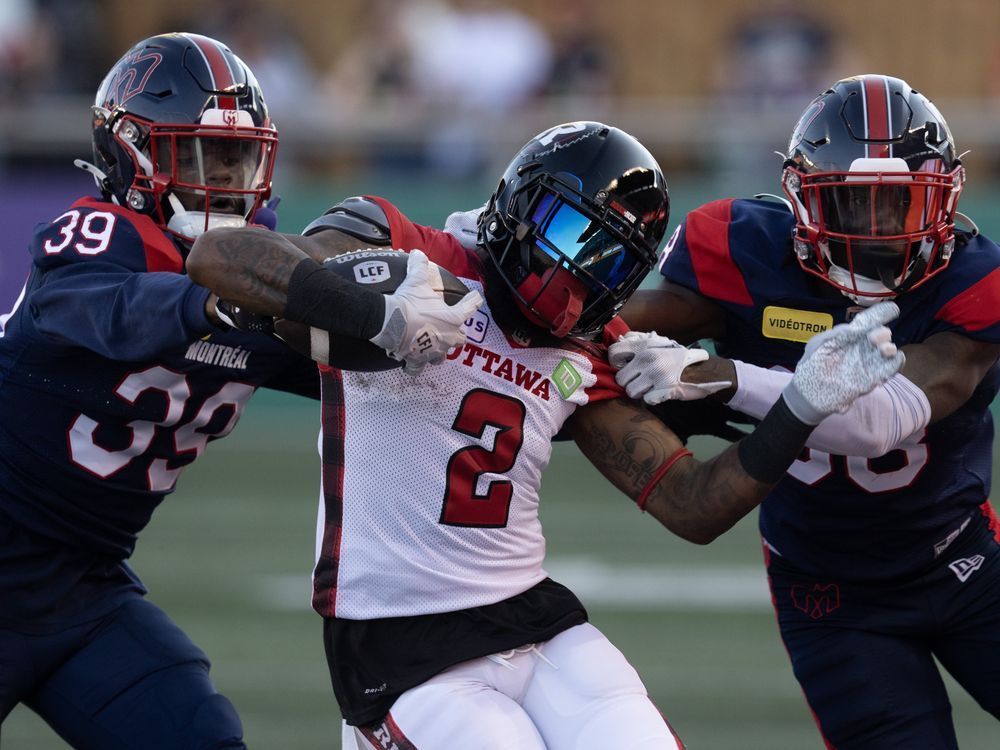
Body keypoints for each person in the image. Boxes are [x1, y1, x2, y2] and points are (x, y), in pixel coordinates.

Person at [186, 120, 903, 750]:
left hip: (536, 622)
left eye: (611, 260)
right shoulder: (410, 250)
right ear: (522, 202)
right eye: (570, 232)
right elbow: (224, 260)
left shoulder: (586, 345)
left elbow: (692, 504)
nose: (579, 269)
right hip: (399, 642)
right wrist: (379, 316)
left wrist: (799, 407)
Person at [0, 32, 477, 749]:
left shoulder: (263, 278)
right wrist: (228, 303)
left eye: (237, 156)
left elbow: (366, 379)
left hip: (82, 591)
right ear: (131, 154)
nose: (225, 178)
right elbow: (118, 314)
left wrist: (451, 346)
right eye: (199, 154)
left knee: (199, 736)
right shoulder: (96, 234)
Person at [614, 75, 1000, 749]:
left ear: (945, 200)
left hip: (961, 561)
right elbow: (602, 326)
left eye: (899, 207)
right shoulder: (744, 250)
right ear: (800, 198)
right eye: (855, 206)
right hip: (831, 597)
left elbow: (879, 413)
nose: (878, 232)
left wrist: (725, 375)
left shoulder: (973, 281)